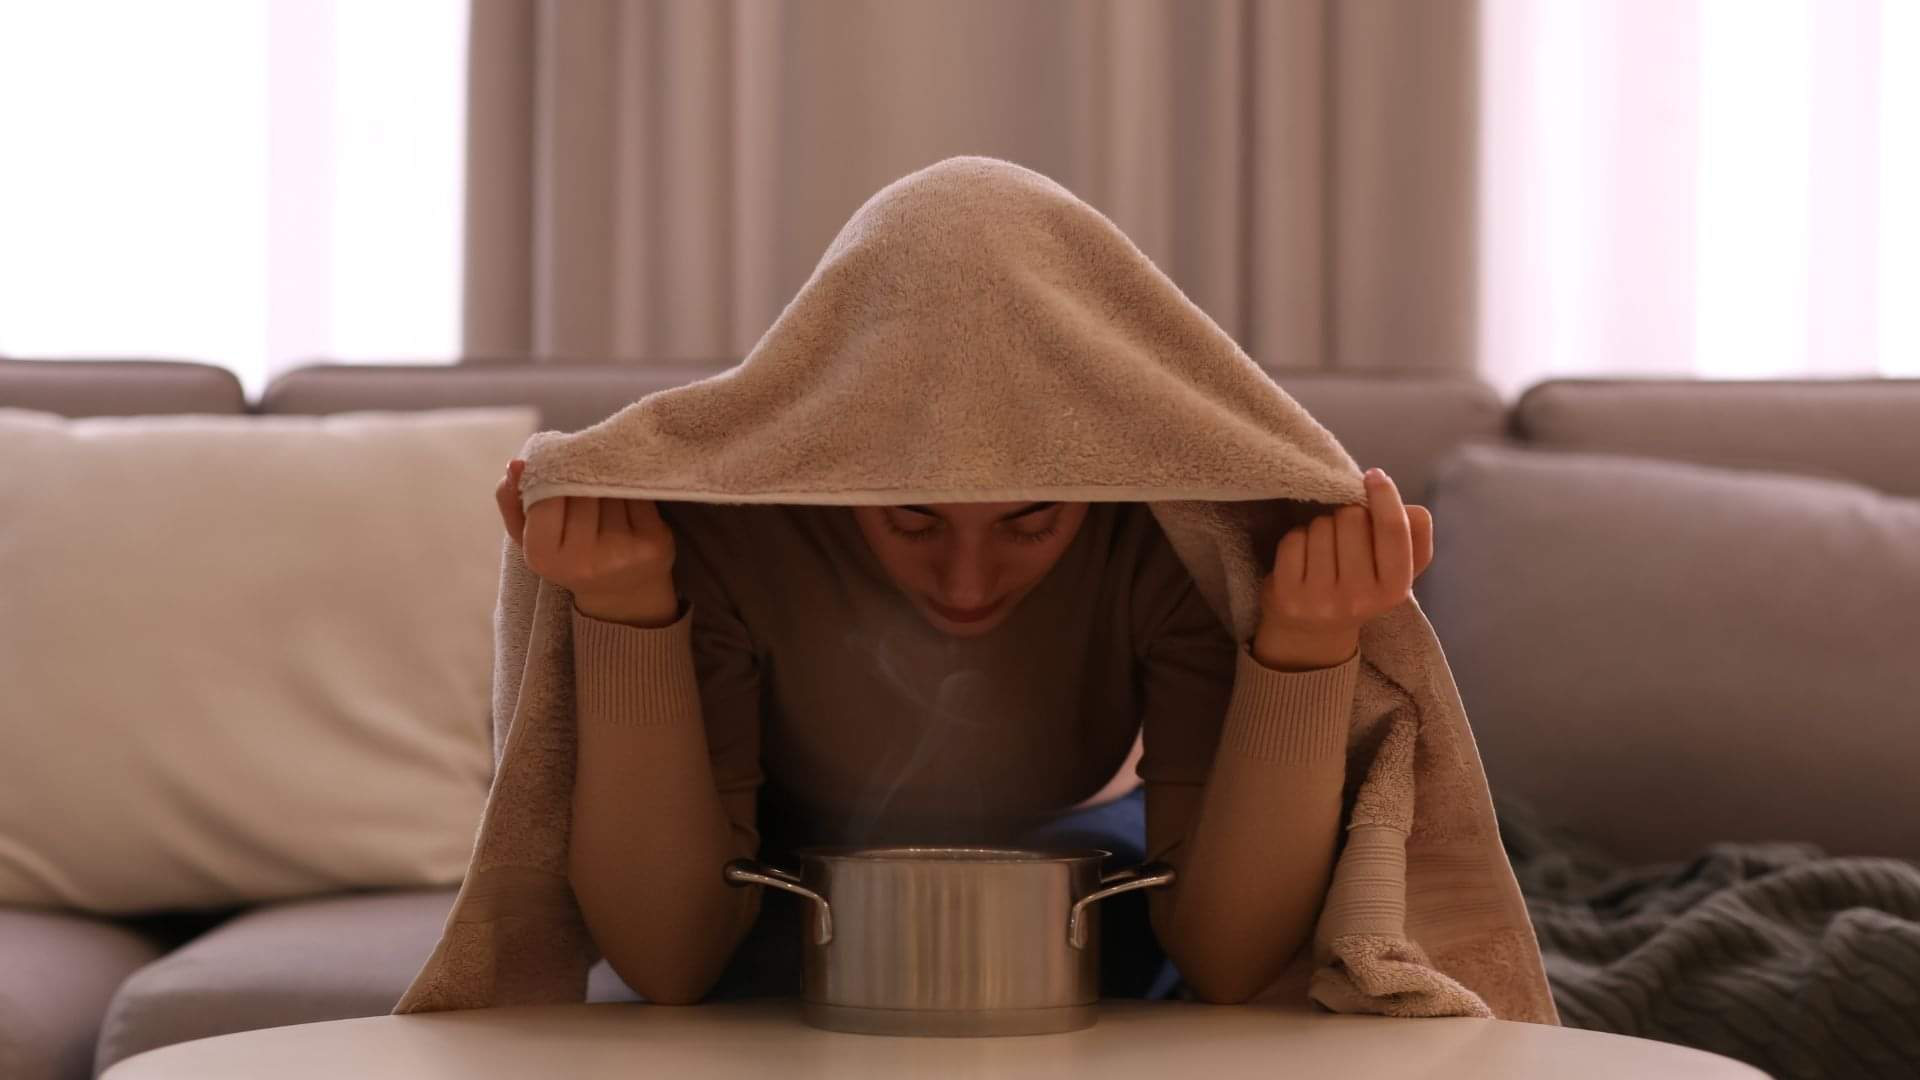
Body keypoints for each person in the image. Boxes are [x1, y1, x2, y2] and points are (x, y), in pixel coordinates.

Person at [493, 458, 1432, 1005]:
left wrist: (1307, 649)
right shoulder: (733, 533)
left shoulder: (1164, 534)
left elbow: (1228, 966)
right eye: (913, 520)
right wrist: (625, 607)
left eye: (1031, 522)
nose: (967, 584)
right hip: (784, 880)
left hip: (1073, 861)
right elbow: (668, 964)